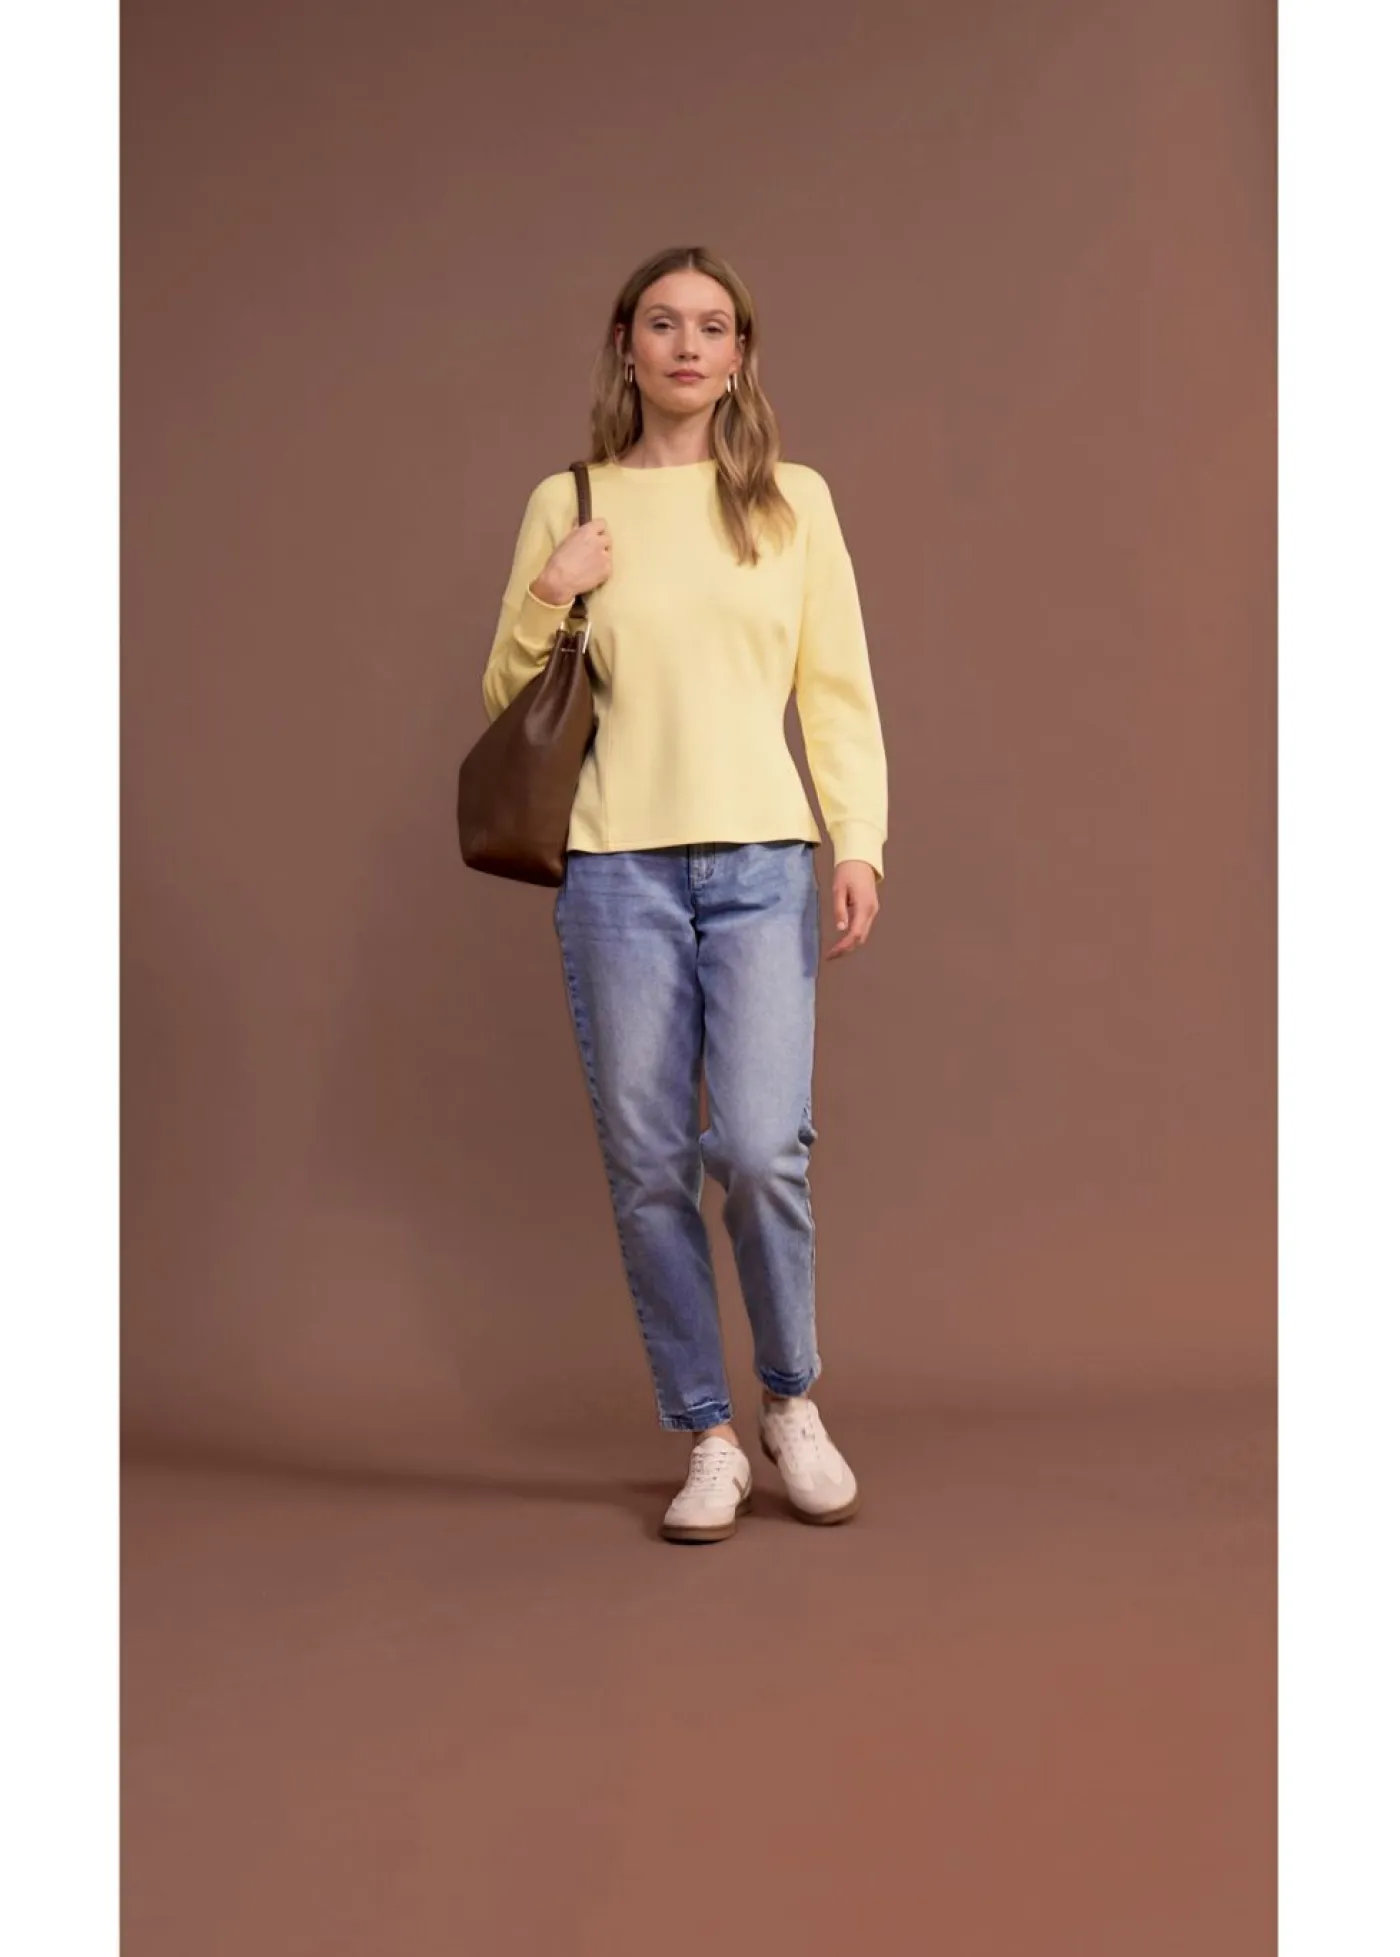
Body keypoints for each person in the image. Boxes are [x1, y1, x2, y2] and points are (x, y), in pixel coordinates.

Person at [481, 245, 888, 1544]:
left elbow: (836, 687)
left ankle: (791, 1402)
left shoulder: (792, 502)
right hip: (616, 868)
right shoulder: (570, 502)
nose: (688, 346)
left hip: (763, 861)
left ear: (741, 354)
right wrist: (552, 592)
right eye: (664, 324)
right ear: (627, 344)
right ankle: (707, 1432)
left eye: (713, 326)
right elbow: (509, 700)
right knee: (649, 1163)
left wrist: (858, 840)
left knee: (763, 1150)